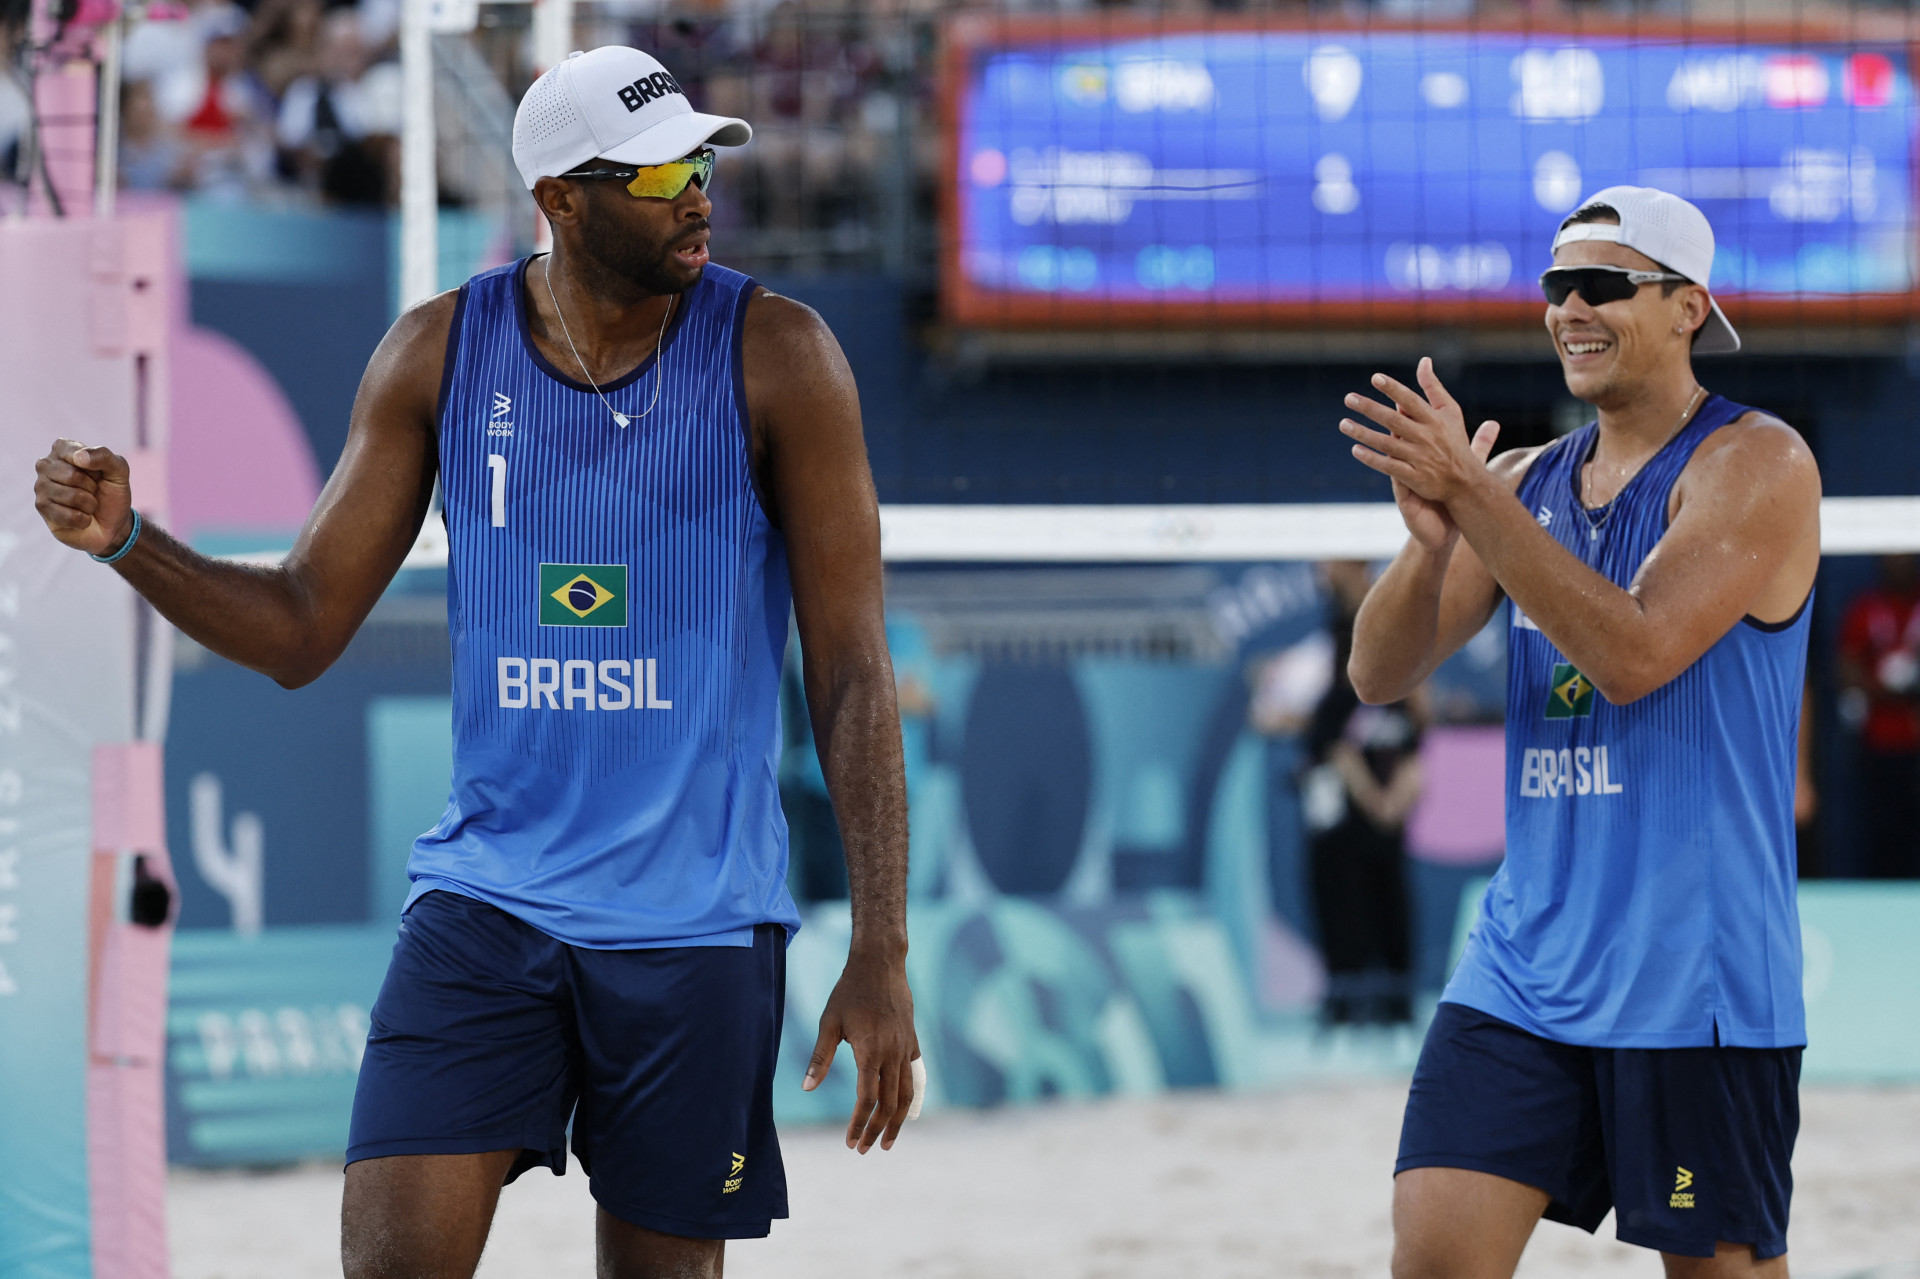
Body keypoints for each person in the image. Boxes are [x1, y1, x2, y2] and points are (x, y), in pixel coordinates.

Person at [35, 44, 919, 1279]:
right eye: (659, 172)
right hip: (487, 904)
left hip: (694, 925)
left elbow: (853, 672)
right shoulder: (439, 352)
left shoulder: (781, 353)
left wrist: (880, 944)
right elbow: (299, 627)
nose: (695, 194)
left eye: (702, 164)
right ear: (561, 200)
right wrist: (129, 539)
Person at [1339, 185, 1819, 1277]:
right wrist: (1431, 546)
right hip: (1526, 967)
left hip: (1695, 983)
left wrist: (1476, 501)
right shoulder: (1519, 482)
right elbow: (1376, 672)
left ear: (1689, 307)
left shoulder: (1759, 463)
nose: (1570, 309)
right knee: (1434, 1259)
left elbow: (1635, 653)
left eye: (1603, 284)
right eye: (1558, 286)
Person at [1301, 560, 1420, 1025]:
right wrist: (1377, 799)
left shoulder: (1382, 638)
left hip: (1376, 801)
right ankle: (1349, 999)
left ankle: (1391, 1000)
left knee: (1386, 899)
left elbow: (1411, 738)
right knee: (1342, 897)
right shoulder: (1336, 640)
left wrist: (1391, 798)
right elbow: (1334, 743)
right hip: (1348, 809)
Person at [1836, 554, 1920, 878]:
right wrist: (1885, 690)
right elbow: (1847, 666)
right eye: (1891, 558)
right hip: (1880, 740)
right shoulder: (1867, 607)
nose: (1898, 564)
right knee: (1883, 827)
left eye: (1904, 557)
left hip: (1914, 736)